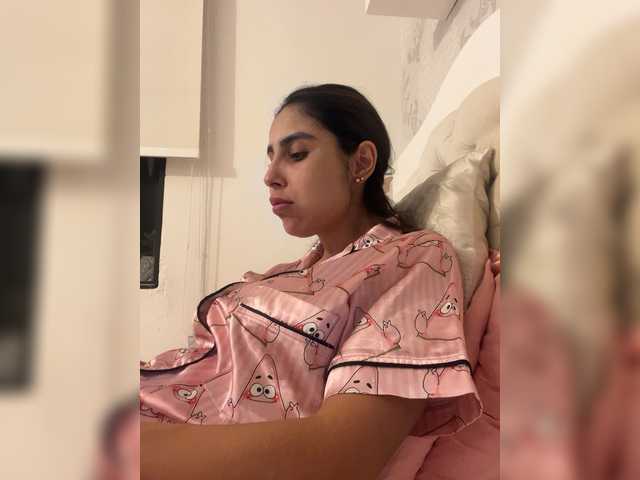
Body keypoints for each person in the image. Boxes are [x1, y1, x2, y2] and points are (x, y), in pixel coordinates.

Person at [140, 84, 480, 479]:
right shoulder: (288, 273)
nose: (270, 176)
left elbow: (343, 452)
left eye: (296, 154)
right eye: (270, 158)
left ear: (361, 162)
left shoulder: (413, 258)